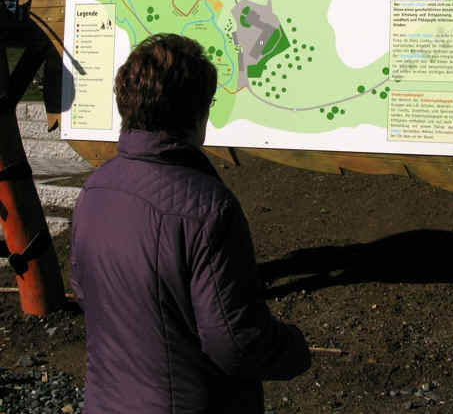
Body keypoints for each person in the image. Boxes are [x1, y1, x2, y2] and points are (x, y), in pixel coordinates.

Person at [71, 33, 310, 414]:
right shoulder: (206, 208)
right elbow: (234, 341)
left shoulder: (95, 190)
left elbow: (86, 292)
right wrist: (294, 349)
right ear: (195, 111)